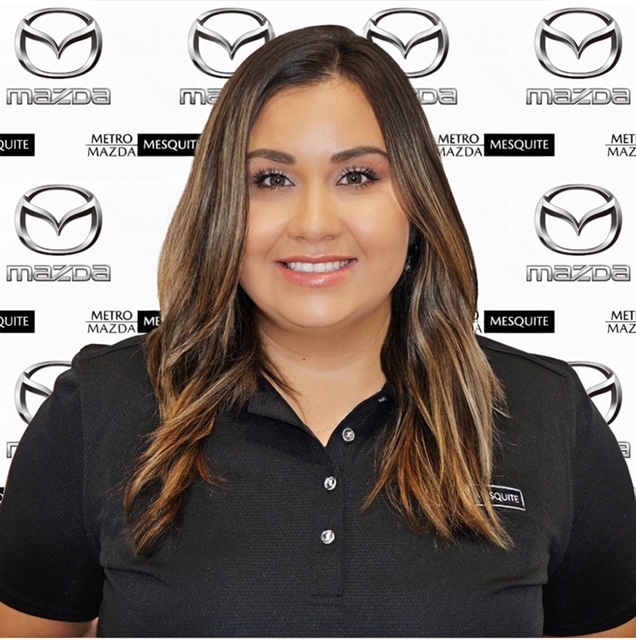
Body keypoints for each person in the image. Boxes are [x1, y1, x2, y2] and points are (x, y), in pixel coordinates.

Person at [0, 25, 635, 638]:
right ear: (222, 207)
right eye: (271, 179)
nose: (313, 224)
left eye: (357, 176)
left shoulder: (548, 414)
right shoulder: (97, 409)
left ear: (417, 202)